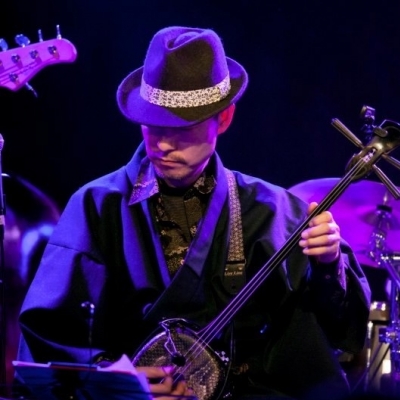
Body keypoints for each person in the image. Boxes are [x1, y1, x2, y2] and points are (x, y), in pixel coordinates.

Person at [16, 26, 371, 400]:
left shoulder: (276, 212)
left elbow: (341, 337)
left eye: (181, 128)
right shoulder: (96, 206)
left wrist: (329, 264)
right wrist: (117, 381)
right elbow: (49, 339)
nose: (163, 144)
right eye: (153, 126)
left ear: (224, 119)